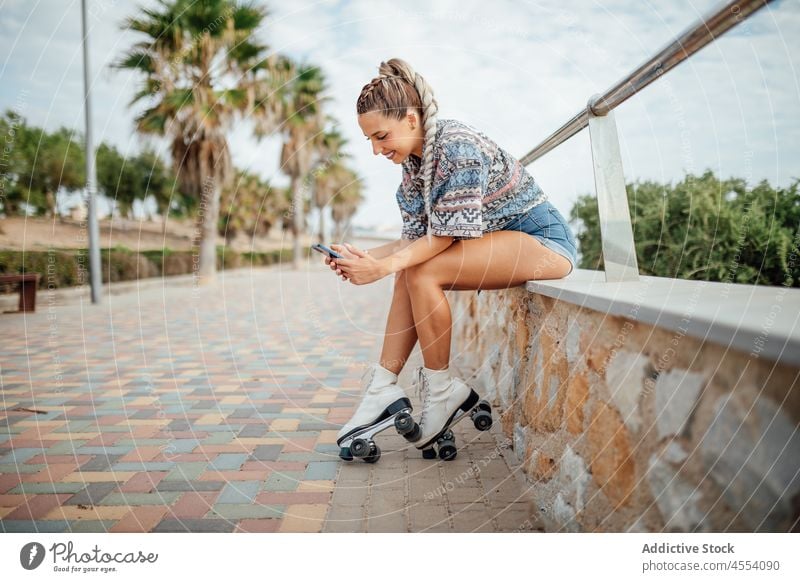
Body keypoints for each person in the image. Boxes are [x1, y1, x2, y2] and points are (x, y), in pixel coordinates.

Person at [325, 57, 578, 456]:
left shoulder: (455, 145)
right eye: (369, 140)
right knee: (408, 271)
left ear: (411, 119)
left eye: (381, 136)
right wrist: (363, 257)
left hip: (544, 242)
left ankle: (442, 390)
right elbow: (414, 240)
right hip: (500, 242)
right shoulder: (413, 165)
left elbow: (441, 239)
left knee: (420, 271)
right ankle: (382, 388)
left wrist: (382, 265)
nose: (375, 149)